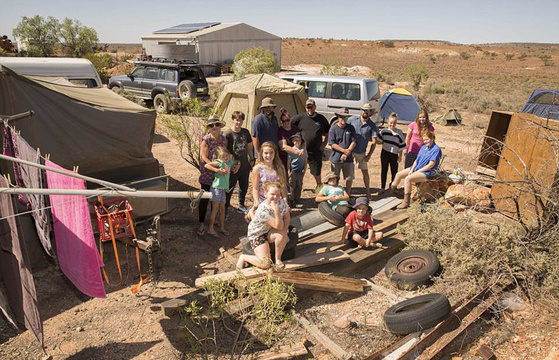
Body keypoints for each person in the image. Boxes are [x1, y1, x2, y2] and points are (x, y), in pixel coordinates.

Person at [237, 181, 291, 270]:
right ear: (265, 193)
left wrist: (285, 232)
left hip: (270, 230)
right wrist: (276, 211)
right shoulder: (263, 210)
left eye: (278, 194)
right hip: (257, 233)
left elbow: (287, 218)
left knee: (282, 235)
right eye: (272, 194)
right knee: (265, 264)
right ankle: (243, 257)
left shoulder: (282, 202)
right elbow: (279, 226)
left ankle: (278, 259)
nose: (275, 197)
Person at [391, 131, 442, 209]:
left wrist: (418, 171)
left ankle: (406, 202)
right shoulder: (423, 147)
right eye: (424, 140)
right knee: (398, 174)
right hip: (417, 168)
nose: (425, 142)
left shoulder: (436, 149)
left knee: (408, 179)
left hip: (428, 172)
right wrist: (412, 169)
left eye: (427, 140)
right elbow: (416, 160)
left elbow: (431, 165)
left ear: (432, 138)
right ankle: (392, 192)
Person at [198, 117, 227, 236]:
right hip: (207, 173)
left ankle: (212, 222)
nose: (214, 127)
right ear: (208, 128)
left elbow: (224, 155)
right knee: (204, 199)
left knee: (215, 200)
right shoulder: (206, 140)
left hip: (219, 176)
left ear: (220, 126)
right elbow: (203, 157)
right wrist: (214, 168)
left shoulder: (224, 140)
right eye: (211, 125)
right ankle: (201, 224)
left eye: (216, 125)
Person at [291, 99, 330, 189]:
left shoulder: (321, 119)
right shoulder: (300, 118)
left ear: (315, 107)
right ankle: (298, 186)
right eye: (308, 107)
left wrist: (324, 144)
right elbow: (289, 124)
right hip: (301, 150)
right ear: (305, 107)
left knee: (316, 171)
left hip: (316, 150)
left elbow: (328, 132)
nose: (309, 109)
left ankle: (319, 186)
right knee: (299, 169)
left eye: (311, 107)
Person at [247, 141, 288, 221]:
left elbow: (283, 187)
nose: (268, 156)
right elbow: (255, 188)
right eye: (266, 153)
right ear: (262, 154)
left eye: (271, 153)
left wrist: (285, 201)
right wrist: (257, 202)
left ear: (275, 154)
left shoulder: (280, 168)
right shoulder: (257, 169)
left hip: (276, 200)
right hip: (263, 201)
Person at [225, 111, 254, 213]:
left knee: (244, 186)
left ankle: (241, 205)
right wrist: (231, 163)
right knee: (230, 186)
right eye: (237, 120)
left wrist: (252, 158)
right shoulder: (228, 134)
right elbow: (225, 151)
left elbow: (249, 146)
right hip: (233, 165)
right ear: (233, 120)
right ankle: (226, 206)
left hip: (245, 164)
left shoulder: (245, 132)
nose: (239, 122)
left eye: (241, 120)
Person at [347, 103, 378, 199]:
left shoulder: (372, 126)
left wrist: (369, 155)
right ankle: (347, 194)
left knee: (365, 171)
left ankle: (368, 192)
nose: (366, 112)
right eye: (364, 110)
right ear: (361, 110)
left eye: (368, 110)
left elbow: (374, 142)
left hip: (361, 152)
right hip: (350, 150)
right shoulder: (352, 120)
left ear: (370, 112)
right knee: (349, 173)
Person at [204, 147, 235, 237]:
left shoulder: (229, 162)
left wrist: (237, 164)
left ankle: (222, 228)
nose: (225, 158)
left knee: (222, 209)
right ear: (219, 157)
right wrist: (217, 170)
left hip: (223, 189)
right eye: (223, 157)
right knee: (215, 209)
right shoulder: (219, 163)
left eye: (226, 156)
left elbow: (234, 159)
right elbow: (207, 165)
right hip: (216, 188)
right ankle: (210, 228)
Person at [328, 107, 357, 194]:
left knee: (349, 178)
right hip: (335, 158)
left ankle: (347, 195)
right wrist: (344, 151)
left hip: (348, 158)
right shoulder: (333, 129)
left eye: (346, 117)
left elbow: (354, 141)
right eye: (342, 117)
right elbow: (331, 143)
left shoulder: (351, 128)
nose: (344, 119)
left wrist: (348, 151)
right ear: (338, 117)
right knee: (334, 179)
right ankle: (335, 195)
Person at [378, 112, 406, 192]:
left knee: (394, 171)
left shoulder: (399, 133)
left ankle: (393, 187)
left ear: (396, 123)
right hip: (385, 152)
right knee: (384, 170)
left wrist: (400, 155)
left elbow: (401, 145)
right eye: (390, 123)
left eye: (394, 123)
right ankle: (382, 187)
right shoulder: (384, 131)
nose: (392, 124)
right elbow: (379, 140)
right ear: (388, 122)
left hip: (394, 154)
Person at [278, 108, 302, 176]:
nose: (286, 122)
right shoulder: (281, 130)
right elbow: (283, 147)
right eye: (284, 121)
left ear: (290, 120)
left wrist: (303, 149)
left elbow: (301, 141)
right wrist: (297, 152)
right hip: (284, 158)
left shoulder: (295, 129)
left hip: (295, 159)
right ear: (281, 121)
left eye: (288, 120)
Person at [287, 132, 307, 208]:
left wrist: (304, 170)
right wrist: (289, 171)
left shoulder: (304, 150)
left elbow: (305, 161)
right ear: (292, 141)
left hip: (300, 171)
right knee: (292, 186)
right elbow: (288, 161)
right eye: (295, 140)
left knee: (299, 186)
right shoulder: (291, 150)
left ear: (301, 141)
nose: (297, 142)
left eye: (298, 140)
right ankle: (291, 200)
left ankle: (297, 199)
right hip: (293, 171)